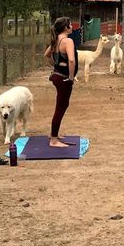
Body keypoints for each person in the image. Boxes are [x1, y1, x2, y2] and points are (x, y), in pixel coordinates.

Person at [43, 17, 78, 148]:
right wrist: (70, 76)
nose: (72, 26)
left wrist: (56, 65)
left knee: (62, 105)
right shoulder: (67, 41)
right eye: (70, 24)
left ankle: (55, 134)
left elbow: (47, 55)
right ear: (66, 27)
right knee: (61, 107)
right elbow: (71, 60)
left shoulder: (56, 40)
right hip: (63, 78)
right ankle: (53, 140)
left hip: (56, 76)